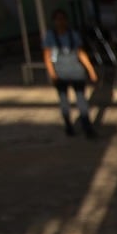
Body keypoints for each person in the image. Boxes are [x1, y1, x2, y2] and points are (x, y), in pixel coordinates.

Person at [42, 9, 99, 139]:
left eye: (63, 19)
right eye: (58, 19)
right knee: (64, 100)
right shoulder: (51, 36)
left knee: (81, 100)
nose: (61, 22)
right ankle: (68, 124)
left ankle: (87, 127)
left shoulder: (73, 35)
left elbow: (80, 52)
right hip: (60, 72)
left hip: (75, 71)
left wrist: (90, 70)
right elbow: (47, 56)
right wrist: (52, 73)